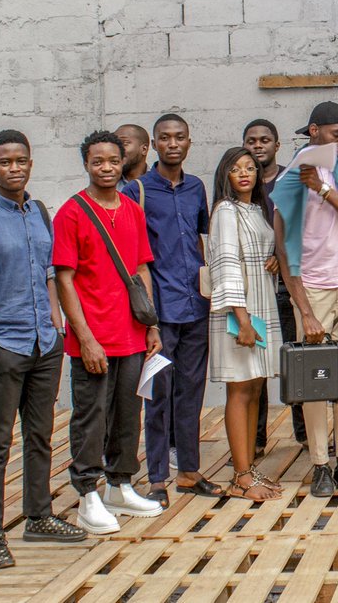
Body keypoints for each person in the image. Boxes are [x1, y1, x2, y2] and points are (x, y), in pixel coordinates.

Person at [0, 130, 85, 571]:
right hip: (5, 347)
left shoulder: (38, 213)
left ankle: (39, 516)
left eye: (21, 160)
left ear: (30, 164)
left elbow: (49, 273)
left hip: (44, 343)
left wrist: (55, 318)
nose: (14, 167)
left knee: (41, 434)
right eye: (5, 161)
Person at [52, 130, 165, 535]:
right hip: (93, 337)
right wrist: (84, 338)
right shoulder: (72, 212)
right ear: (86, 164)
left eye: (113, 161)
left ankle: (120, 483)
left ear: (124, 163)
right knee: (91, 416)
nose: (106, 168)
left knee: (127, 414)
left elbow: (141, 269)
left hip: (132, 333)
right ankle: (87, 493)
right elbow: (64, 280)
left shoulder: (133, 210)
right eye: (98, 161)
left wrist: (151, 324)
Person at [271, 101, 338, 498]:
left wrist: (327, 190)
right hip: (313, 289)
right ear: (314, 131)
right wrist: (305, 310)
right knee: (312, 381)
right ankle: (319, 465)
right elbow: (283, 251)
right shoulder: (291, 180)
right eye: (336, 135)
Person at [123, 114, 223, 507]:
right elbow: (132, 253)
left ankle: (189, 471)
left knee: (192, 393)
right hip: (160, 312)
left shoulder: (197, 188)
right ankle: (158, 477)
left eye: (179, 137)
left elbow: (202, 241)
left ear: (189, 142)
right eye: (164, 138)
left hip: (195, 306)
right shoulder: (138, 191)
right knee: (158, 396)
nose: (172, 144)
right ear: (154, 144)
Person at [207, 147, 286, 501]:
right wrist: (241, 320)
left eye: (250, 168)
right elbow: (225, 265)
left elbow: (261, 249)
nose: (244, 174)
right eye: (236, 168)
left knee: (255, 387)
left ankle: (250, 468)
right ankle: (241, 475)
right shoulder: (225, 210)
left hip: (261, 301)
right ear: (224, 174)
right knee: (240, 389)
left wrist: (271, 259)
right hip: (240, 308)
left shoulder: (255, 209)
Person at [243, 118, 307, 450]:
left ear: (277, 145)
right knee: (252, 365)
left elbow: (303, 227)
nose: (258, 145)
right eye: (251, 140)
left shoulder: (289, 179)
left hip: (285, 286)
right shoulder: (239, 183)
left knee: (293, 359)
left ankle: (304, 433)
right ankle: (254, 439)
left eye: (264, 140)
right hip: (250, 291)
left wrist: (280, 258)